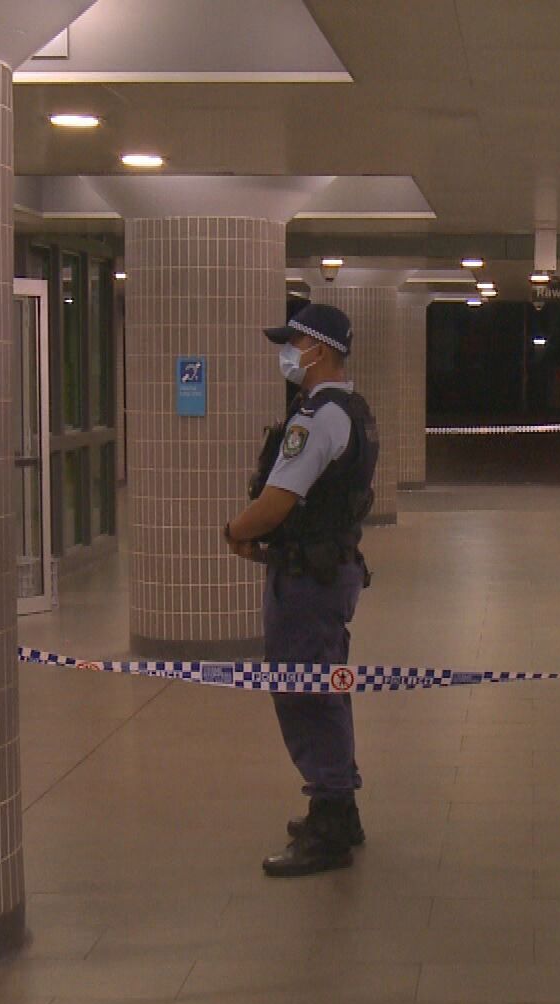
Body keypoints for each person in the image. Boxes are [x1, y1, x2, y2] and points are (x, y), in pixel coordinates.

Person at [223, 302, 378, 877]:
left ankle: (331, 818)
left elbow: (278, 501)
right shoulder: (354, 411)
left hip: (308, 581)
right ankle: (339, 801)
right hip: (329, 571)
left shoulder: (317, 417)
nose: (287, 355)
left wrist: (234, 530)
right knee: (327, 686)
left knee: (303, 692)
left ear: (318, 349)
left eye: (292, 344)